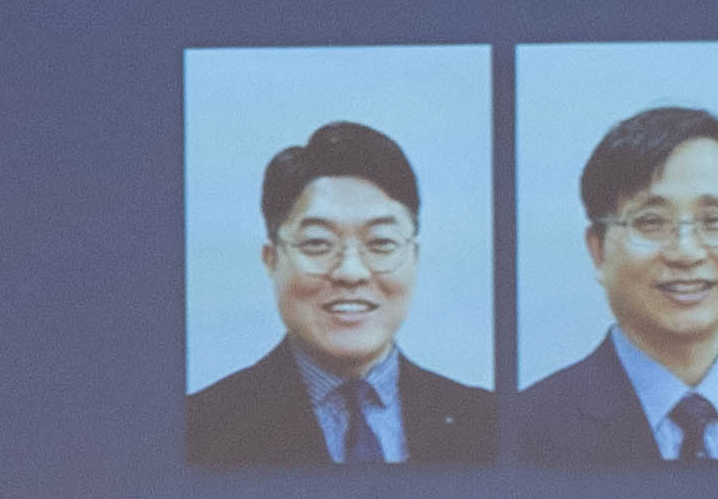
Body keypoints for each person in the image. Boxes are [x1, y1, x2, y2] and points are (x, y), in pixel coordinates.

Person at [508, 104, 718, 470]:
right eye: (651, 222)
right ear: (598, 251)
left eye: (714, 221)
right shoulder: (523, 433)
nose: (686, 253)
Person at [189, 118, 502, 466]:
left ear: (414, 257)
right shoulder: (199, 431)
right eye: (317, 243)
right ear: (271, 259)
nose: (351, 273)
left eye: (380, 244)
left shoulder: (490, 425)